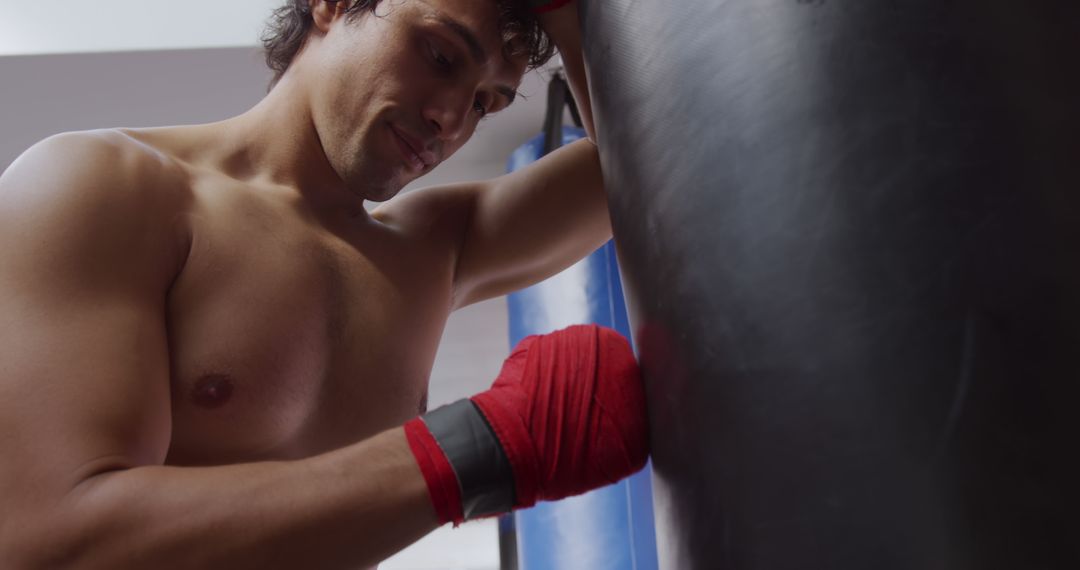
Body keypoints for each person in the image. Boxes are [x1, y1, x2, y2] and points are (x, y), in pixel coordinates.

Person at [0, 0, 649, 568]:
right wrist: (475, 451)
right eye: (440, 55)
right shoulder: (105, 187)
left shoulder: (431, 254)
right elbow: (54, 541)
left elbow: (653, 169)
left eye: (486, 103)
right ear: (333, 3)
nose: (452, 118)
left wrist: (563, 12)